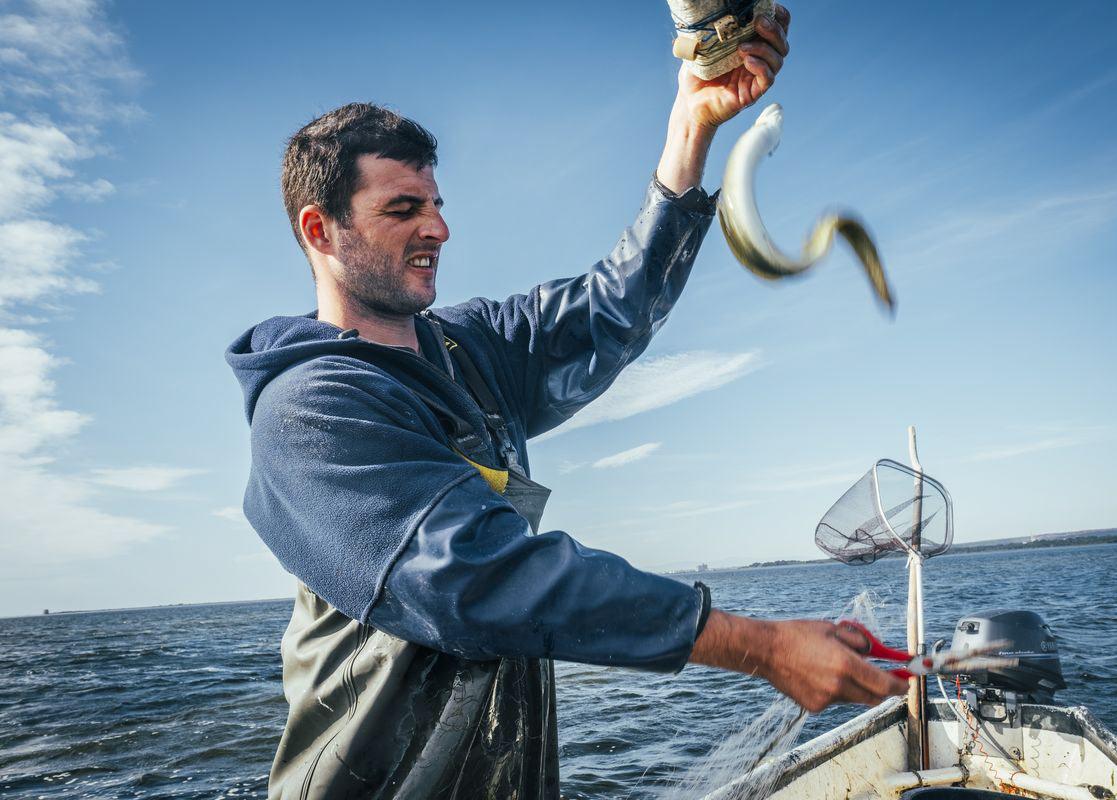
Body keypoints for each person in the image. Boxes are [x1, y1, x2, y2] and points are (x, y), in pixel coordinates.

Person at [226, 7, 905, 798]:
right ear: (321, 230)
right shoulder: (310, 413)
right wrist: (759, 646)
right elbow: (476, 579)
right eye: (402, 209)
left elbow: (610, 309)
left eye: (437, 204)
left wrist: (692, 121)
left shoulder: (467, 352)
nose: (439, 227)